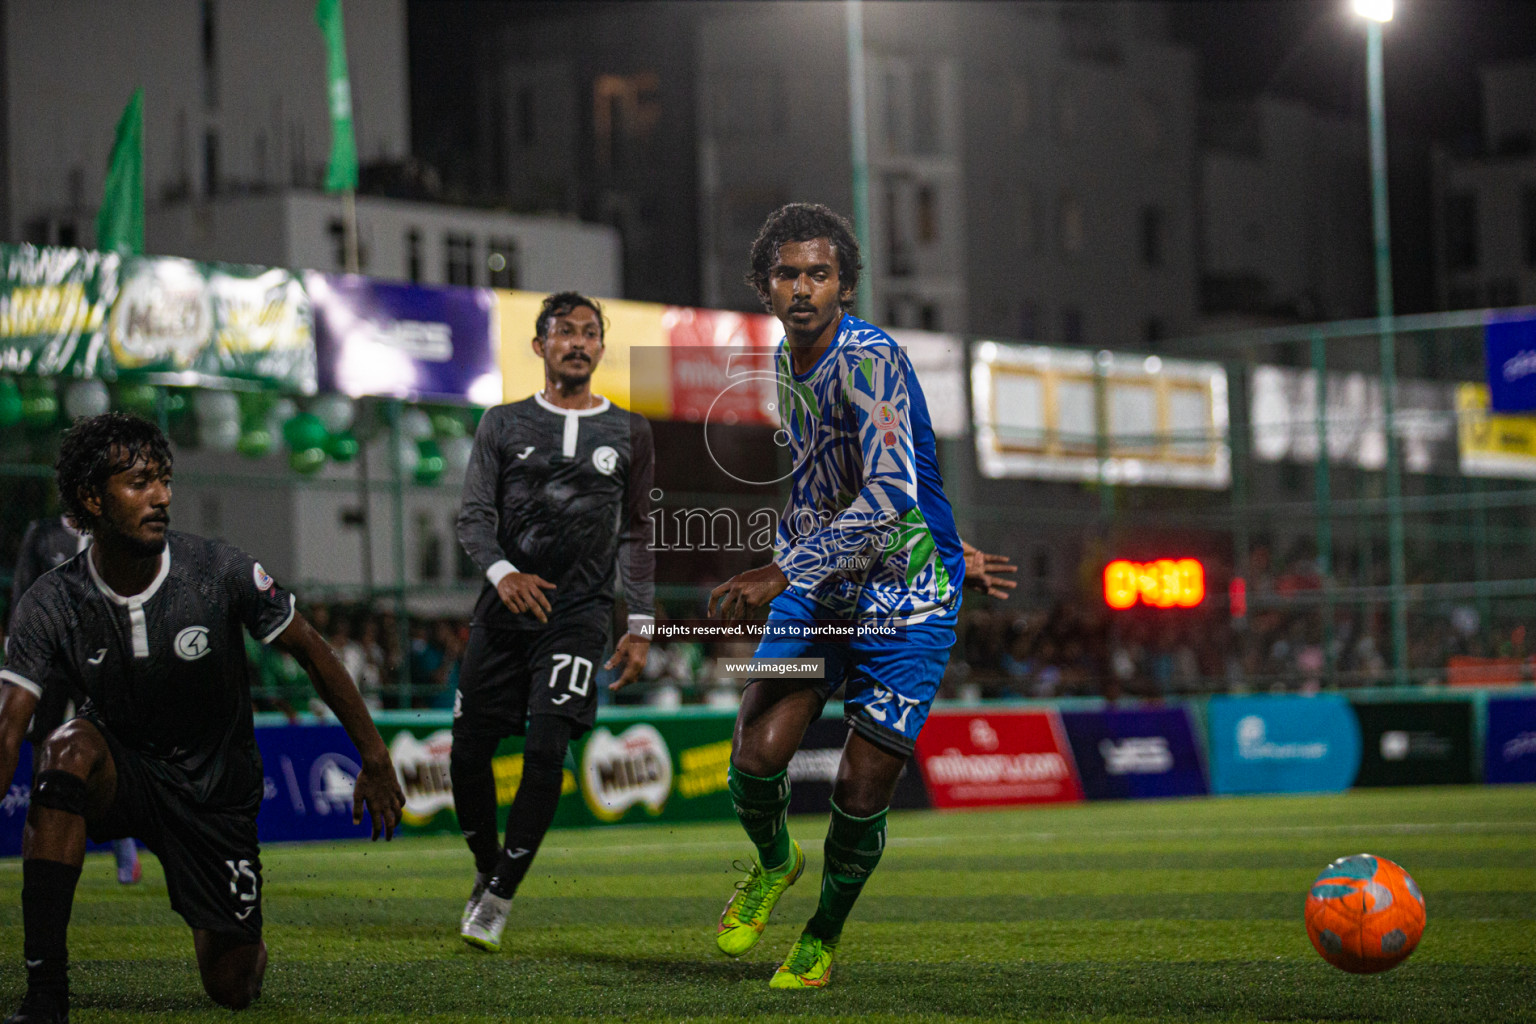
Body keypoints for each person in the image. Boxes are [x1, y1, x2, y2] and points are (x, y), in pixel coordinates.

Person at [0, 413, 404, 1023]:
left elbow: (313, 652)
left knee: (231, 986)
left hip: (215, 795)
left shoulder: (219, 571)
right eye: (139, 483)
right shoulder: (51, 601)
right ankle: (46, 991)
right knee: (65, 750)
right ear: (91, 498)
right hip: (124, 770)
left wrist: (374, 757)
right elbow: (9, 727)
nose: (161, 496)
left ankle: (233, 931)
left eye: (163, 479)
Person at [707, 203, 1014, 989]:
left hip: (904, 607)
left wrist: (784, 571)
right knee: (753, 756)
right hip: (825, 595)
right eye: (787, 274)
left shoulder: (868, 358)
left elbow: (887, 485)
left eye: (820, 274)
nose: (803, 288)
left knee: (856, 787)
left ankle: (820, 937)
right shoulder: (786, 360)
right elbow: (834, 480)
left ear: (845, 286)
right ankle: (775, 863)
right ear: (764, 287)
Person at [452, 290, 654, 951]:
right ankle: (488, 864)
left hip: (579, 614)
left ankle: (500, 897)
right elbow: (474, 516)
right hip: (504, 607)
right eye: (563, 331)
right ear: (539, 347)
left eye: (589, 332)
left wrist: (642, 622)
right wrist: (502, 574)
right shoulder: (503, 424)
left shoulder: (630, 431)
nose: (577, 341)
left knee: (547, 749)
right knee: (467, 753)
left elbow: (639, 532)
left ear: (601, 347)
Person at [9, 515, 143, 884]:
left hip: (95, 655)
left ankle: (123, 844)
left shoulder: (109, 533)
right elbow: (22, 590)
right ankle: (43, 847)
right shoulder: (43, 532)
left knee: (108, 742)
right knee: (43, 746)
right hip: (49, 658)